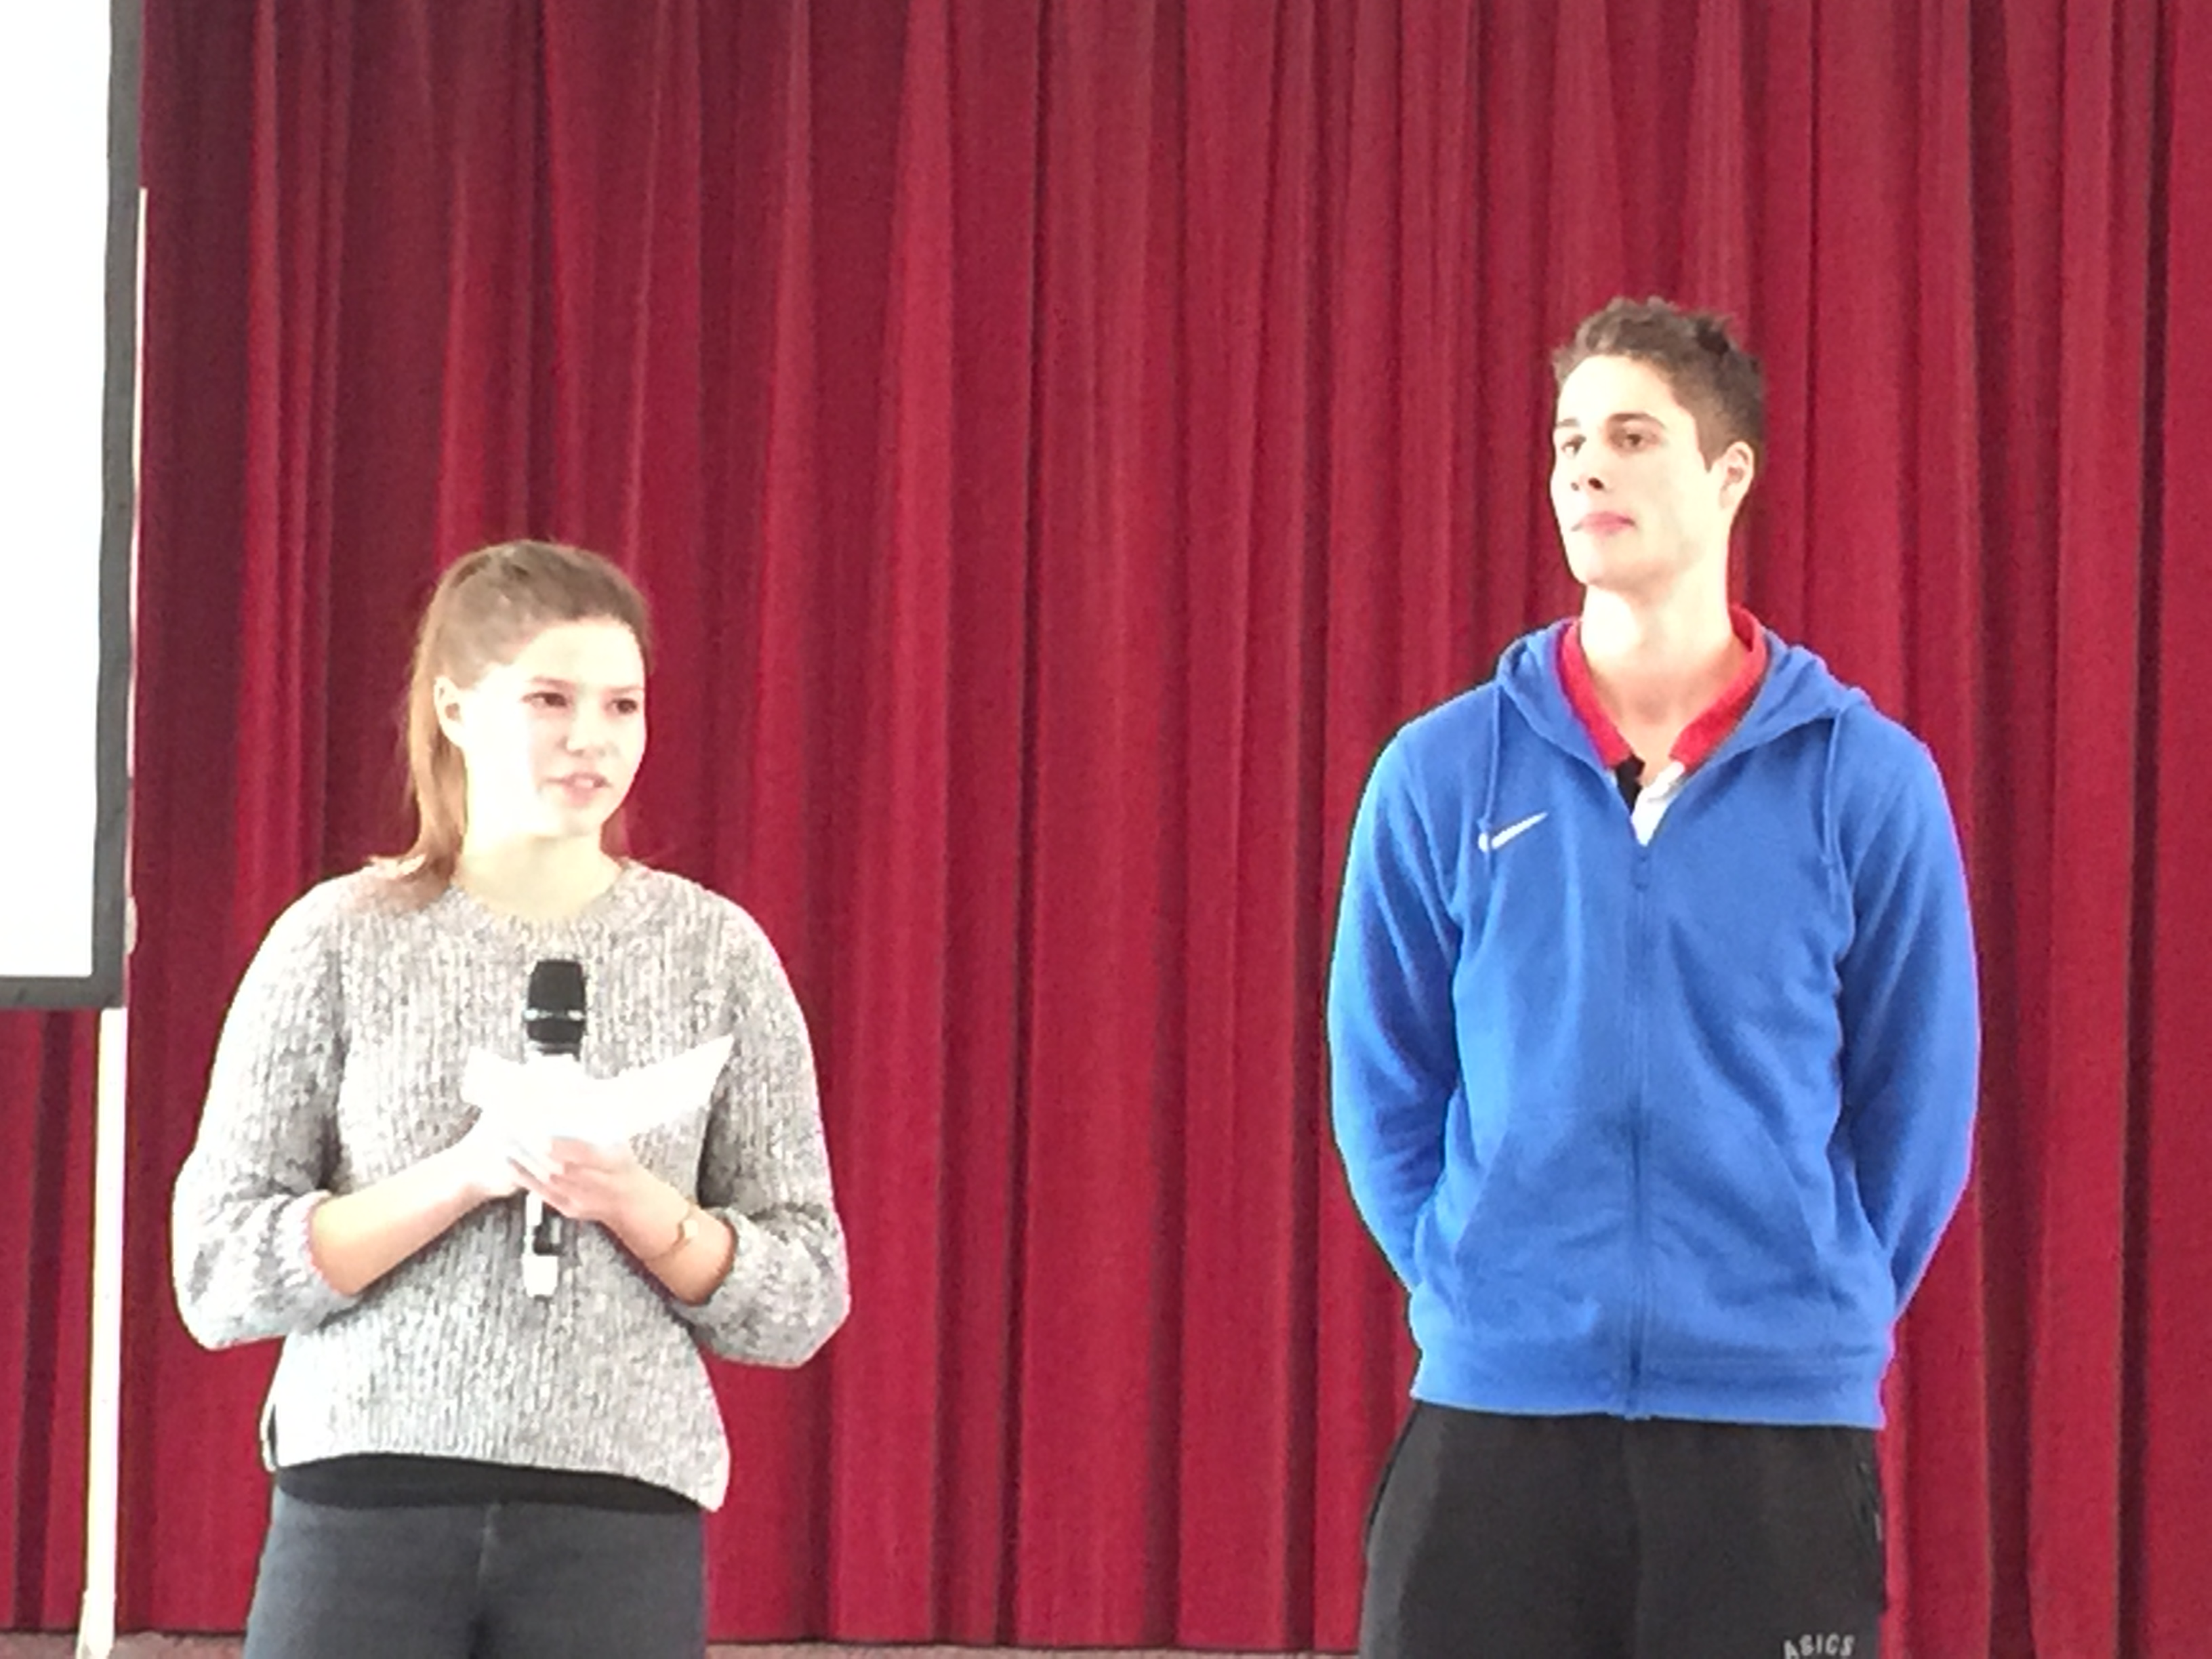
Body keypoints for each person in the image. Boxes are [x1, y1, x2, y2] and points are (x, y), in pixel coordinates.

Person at [1328, 298, 1980, 1659]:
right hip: (1499, 1413)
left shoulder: (1868, 782)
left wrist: (1814, 1294)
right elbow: (1383, 1084)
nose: (1586, 470)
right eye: (1570, 441)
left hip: (1773, 1432)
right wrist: (1480, 1274)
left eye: (1631, 437)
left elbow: (1917, 1109)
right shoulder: (1441, 774)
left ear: (1729, 475)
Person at [172, 539, 851, 1659]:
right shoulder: (336, 940)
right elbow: (216, 1273)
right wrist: (467, 1174)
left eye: (622, 705)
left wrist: (636, 1202)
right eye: (550, 699)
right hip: (366, 1496)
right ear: (454, 709)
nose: (593, 738)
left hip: (617, 1511)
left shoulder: (718, 955)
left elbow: (804, 1296)